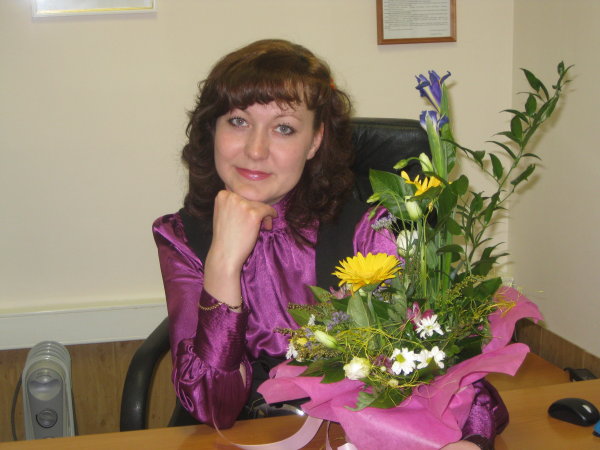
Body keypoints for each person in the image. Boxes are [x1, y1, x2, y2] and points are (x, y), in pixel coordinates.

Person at [153, 39, 506, 449]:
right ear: (212, 129)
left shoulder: (367, 228)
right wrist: (222, 265)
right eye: (237, 121)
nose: (255, 150)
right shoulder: (183, 235)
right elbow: (213, 408)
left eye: (284, 128)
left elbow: (449, 375)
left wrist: (471, 441)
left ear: (315, 141)